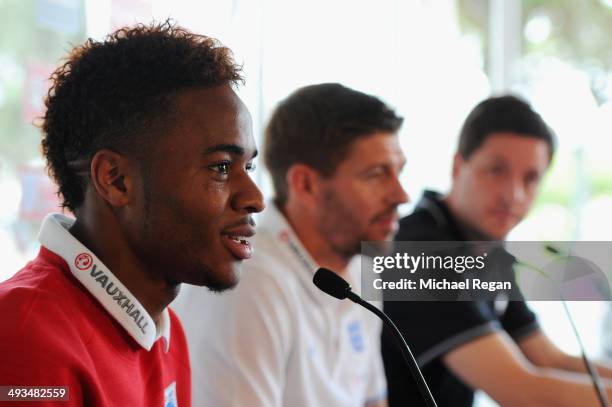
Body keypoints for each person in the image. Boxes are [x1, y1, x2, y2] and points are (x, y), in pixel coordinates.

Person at [0, 22, 264, 406]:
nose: (255, 198)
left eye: (249, 168)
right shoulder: (22, 339)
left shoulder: (165, 330)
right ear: (117, 180)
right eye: (221, 167)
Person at [174, 83, 408, 407]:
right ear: (306, 184)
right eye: (377, 174)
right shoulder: (250, 280)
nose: (401, 195)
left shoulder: (359, 268)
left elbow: (372, 401)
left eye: (399, 172)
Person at [383, 95, 612, 406]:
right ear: (457, 166)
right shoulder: (417, 254)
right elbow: (522, 393)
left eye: (530, 179)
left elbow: (546, 358)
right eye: (496, 170)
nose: (513, 194)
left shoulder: (488, 252)